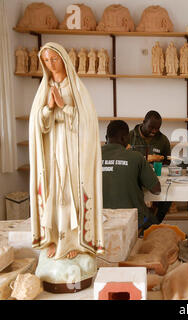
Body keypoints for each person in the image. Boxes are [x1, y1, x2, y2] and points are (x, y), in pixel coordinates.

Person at [29, 42, 104, 260]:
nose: (50, 64)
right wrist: (49, 108)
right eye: (46, 60)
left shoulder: (77, 88)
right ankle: (53, 239)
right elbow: (37, 124)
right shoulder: (44, 88)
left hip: (74, 152)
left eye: (54, 59)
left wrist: (63, 106)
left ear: (63, 59)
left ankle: (74, 242)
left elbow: (87, 123)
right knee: (54, 193)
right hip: (52, 150)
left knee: (72, 195)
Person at [102, 120, 161, 233]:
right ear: (125, 138)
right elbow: (156, 190)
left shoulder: (91, 156)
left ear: (106, 137)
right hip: (131, 219)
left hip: (98, 219)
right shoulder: (136, 157)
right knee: (154, 221)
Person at [129, 110, 172, 223]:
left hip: (154, 178)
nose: (154, 131)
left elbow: (167, 162)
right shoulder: (129, 136)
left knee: (168, 196)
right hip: (133, 178)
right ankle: (138, 224)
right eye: (151, 127)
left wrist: (158, 162)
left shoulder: (163, 140)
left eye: (157, 128)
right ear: (143, 122)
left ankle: (154, 224)